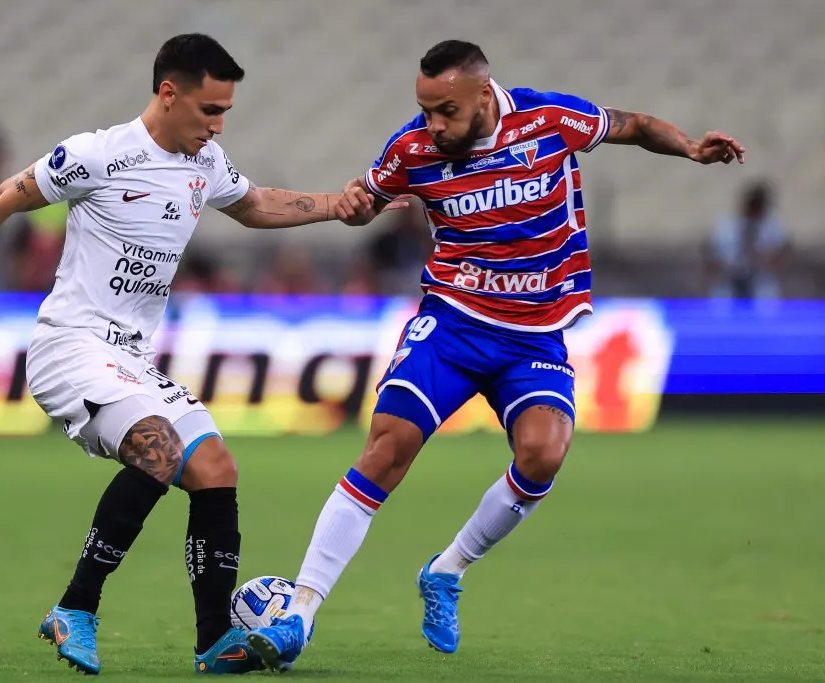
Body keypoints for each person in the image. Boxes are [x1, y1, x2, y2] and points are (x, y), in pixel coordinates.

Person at [0, 33, 400, 676]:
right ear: (169, 93)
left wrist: (336, 207)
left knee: (216, 468)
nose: (218, 125)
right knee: (160, 450)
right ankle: (76, 607)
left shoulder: (206, 162)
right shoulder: (98, 154)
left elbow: (256, 204)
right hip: (70, 346)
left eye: (226, 111)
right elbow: (5, 197)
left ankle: (213, 641)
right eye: (209, 109)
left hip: (131, 360)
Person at [246, 39, 745, 671]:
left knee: (543, 455)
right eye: (425, 110)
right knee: (387, 448)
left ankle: (447, 569)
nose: (434, 125)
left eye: (446, 111)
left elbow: (636, 125)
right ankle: (299, 613)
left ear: (484, 94)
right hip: (453, 323)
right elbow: (367, 199)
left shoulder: (550, 119)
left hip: (534, 334)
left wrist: (691, 147)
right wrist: (352, 207)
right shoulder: (412, 149)